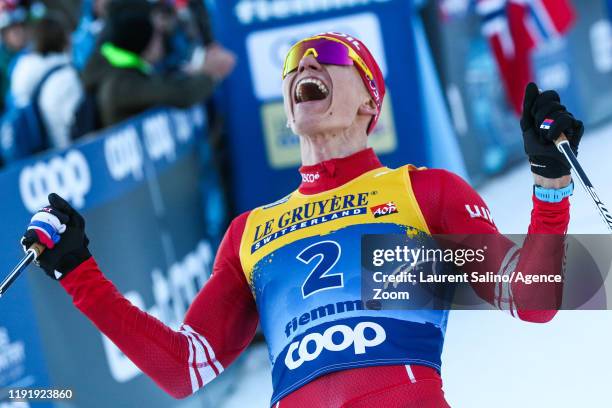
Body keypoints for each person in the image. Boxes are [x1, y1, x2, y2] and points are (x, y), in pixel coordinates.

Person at [21, 33, 583, 407]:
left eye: (329, 58)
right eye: (292, 64)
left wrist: (549, 183)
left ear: (370, 100)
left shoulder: (421, 191)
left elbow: (531, 299)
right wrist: (78, 273)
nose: (305, 65)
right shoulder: (249, 232)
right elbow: (183, 369)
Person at [80, 1, 235, 129]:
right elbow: (179, 94)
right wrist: (211, 73)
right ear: (142, 42)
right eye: (155, 34)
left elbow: (161, 84)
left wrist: (191, 74)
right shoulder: (120, 81)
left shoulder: (119, 67)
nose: (161, 39)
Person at [9, 15, 82, 149]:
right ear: (62, 39)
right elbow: (79, 123)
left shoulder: (22, 73)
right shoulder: (64, 77)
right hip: (69, 153)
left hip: (39, 161)